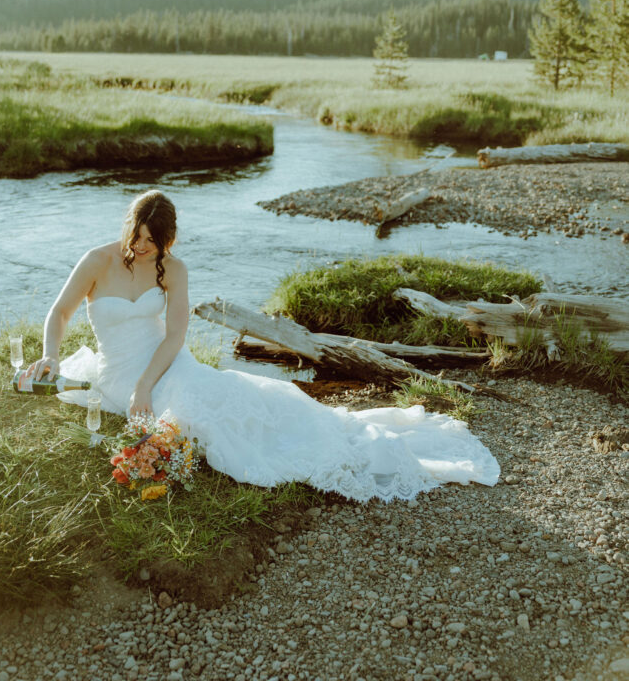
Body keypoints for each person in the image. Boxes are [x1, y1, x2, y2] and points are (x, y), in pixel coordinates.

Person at [26, 189, 500, 502]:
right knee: (194, 421)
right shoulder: (96, 261)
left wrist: (146, 386)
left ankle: (340, 444)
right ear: (128, 226)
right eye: (138, 236)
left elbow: (174, 335)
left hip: (165, 364)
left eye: (155, 239)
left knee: (225, 404)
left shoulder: (174, 268)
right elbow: (60, 312)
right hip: (114, 371)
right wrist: (50, 352)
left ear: (168, 238)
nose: (144, 246)